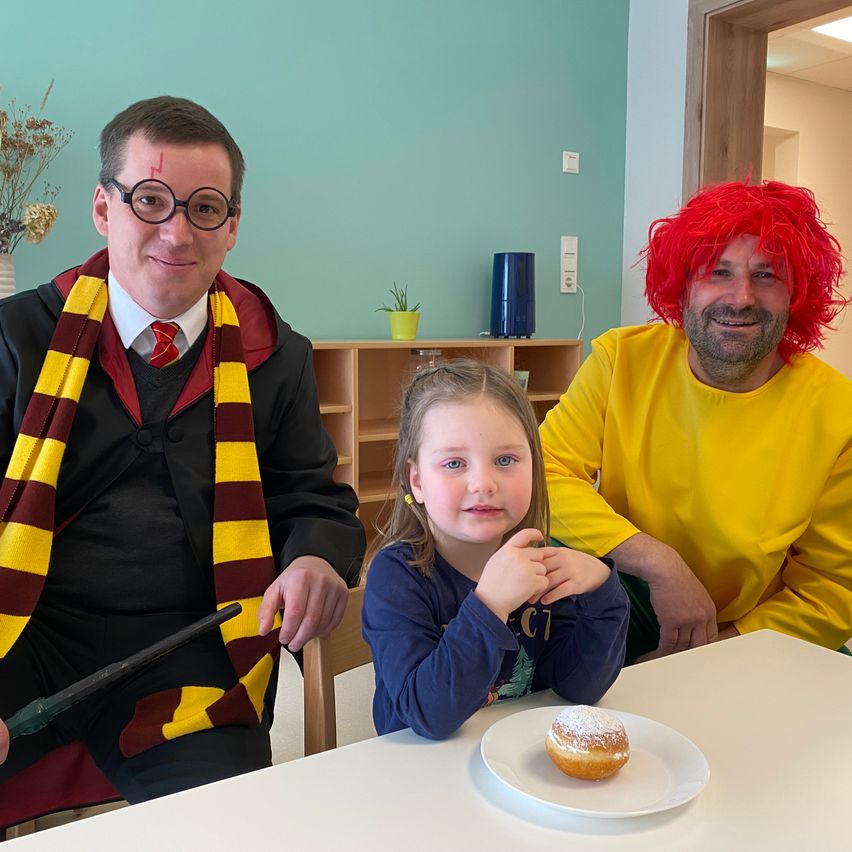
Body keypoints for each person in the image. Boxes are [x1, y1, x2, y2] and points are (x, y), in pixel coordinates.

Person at [0, 96, 365, 800]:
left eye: (204, 208)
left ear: (231, 228)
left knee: (226, 822)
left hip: (193, 645)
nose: (177, 230)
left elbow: (310, 493)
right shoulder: (18, 337)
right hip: (24, 631)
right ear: (104, 210)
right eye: (150, 200)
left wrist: (316, 556)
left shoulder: (274, 354)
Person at [540, 179, 852, 664]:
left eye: (767, 275)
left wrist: (706, 655)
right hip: (618, 594)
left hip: (754, 634)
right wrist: (660, 563)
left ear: (797, 294)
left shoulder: (838, 413)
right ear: (682, 284)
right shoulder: (621, 358)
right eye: (717, 272)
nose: (741, 297)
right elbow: (544, 472)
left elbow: (830, 591)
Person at [361, 360, 628, 739]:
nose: (483, 483)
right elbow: (425, 715)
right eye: (454, 463)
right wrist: (489, 605)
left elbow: (579, 689)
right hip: (421, 774)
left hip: (515, 763)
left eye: (505, 460)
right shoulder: (397, 577)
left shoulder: (541, 562)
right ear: (417, 481)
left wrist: (604, 594)